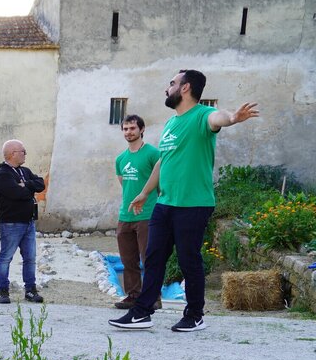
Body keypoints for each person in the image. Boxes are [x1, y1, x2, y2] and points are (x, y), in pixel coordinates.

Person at [110, 70, 259, 332]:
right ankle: (142, 312)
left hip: (193, 203)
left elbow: (218, 117)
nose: (167, 88)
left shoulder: (202, 115)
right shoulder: (171, 123)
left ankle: (195, 315)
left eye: (172, 84)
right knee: (154, 257)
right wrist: (145, 193)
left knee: (189, 259)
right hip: (165, 203)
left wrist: (233, 118)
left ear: (185, 88)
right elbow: (163, 162)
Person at [113, 114, 160, 310]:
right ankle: (133, 295)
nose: (128, 132)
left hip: (147, 215)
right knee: (127, 260)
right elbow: (125, 186)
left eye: (132, 128)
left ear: (142, 130)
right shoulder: (120, 159)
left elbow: (160, 184)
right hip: (126, 216)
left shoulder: (153, 154)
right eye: (125, 129)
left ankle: (153, 299)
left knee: (148, 258)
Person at [0, 139, 45, 304]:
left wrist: (26, 184)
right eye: (23, 151)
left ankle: (30, 290)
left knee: (30, 258)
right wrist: (26, 189)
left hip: (29, 222)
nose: (25, 154)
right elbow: (17, 194)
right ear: (12, 154)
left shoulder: (25, 171)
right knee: (6, 257)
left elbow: (41, 184)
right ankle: (3, 291)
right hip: (11, 223)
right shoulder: (2, 174)